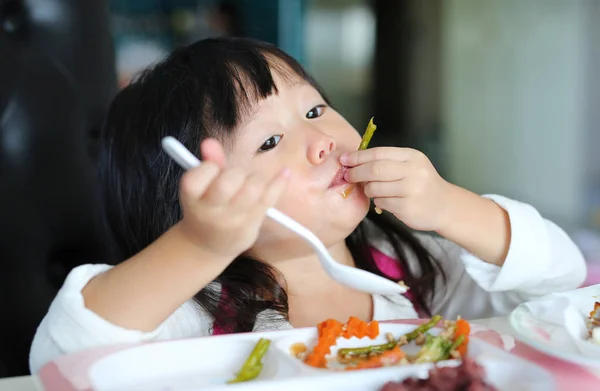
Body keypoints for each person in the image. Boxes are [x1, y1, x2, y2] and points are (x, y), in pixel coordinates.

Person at [29, 37, 585, 373]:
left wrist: (449, 206)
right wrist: (198, 248)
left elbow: (562, 285)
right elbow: (62, 357)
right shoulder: (200, 308)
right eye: (269, 142)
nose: (321, 141)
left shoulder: (405, 268)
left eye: (315, 111)